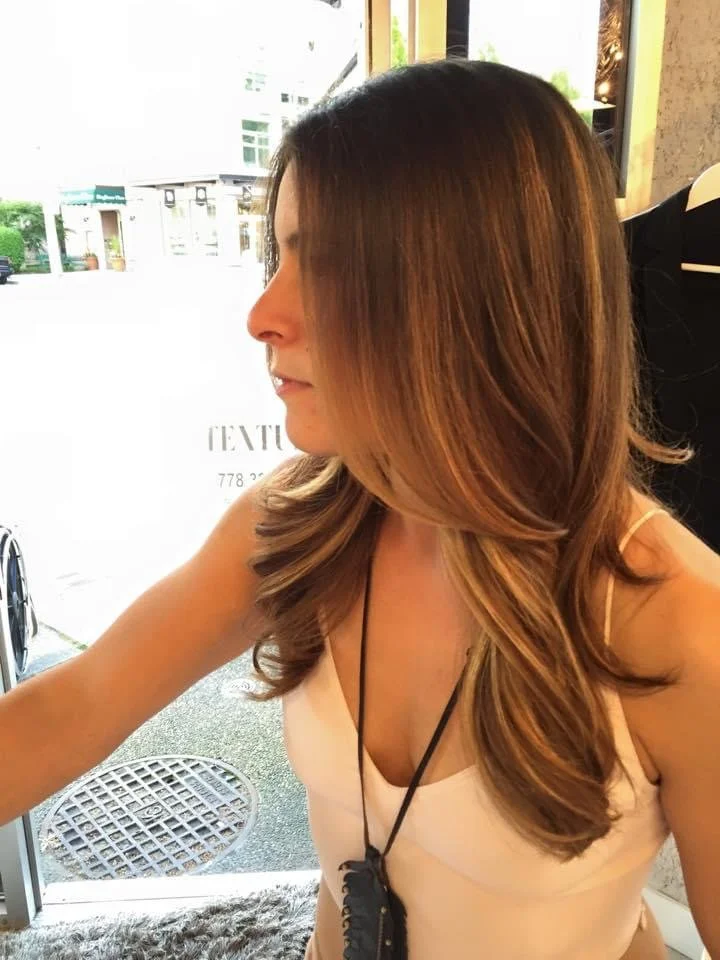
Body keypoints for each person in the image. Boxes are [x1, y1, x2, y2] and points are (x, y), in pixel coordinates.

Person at [1, 59, 719, 960]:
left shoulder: (678, 624)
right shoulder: (302, 526)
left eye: (330, 264)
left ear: (479, 300)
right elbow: (75, 706)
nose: (262, 313)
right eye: (281, 255)